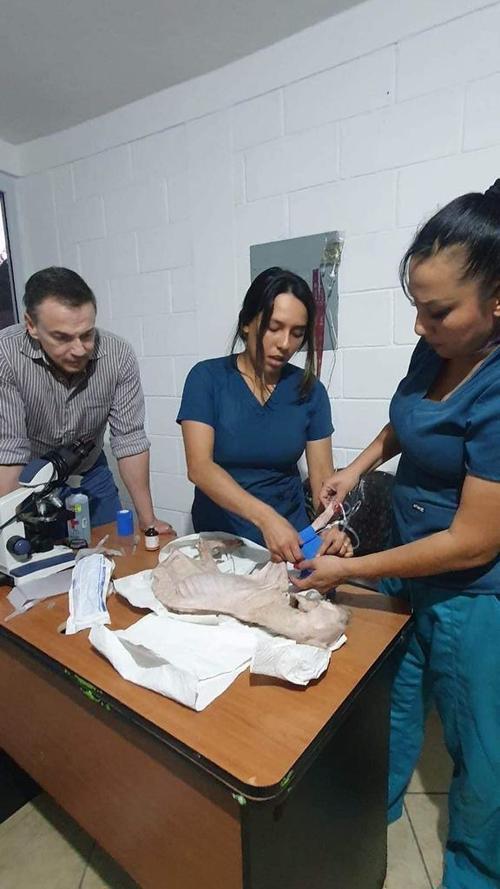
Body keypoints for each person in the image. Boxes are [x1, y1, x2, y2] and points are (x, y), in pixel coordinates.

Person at [292, 182, 500, 889]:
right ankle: (365, 818)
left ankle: (475, 868)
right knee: (395, 700)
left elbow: (475, 539)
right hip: (408, 569)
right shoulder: (435, 351)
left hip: (474, 594)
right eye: (415, 305)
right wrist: (353, 470)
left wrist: (354, 569)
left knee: (481, 745)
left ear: (498, 301)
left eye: (436, 310)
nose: (420, 325)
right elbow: (403, 423)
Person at [177, 267, 351, 563]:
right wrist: (265, 518)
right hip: (222, 543)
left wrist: (332, 526)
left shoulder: (311, 392)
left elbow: (323, 479)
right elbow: (200, 467)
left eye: (297, 333)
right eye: (274, 327)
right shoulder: (207, 379)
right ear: (247, 323)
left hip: (289, 543)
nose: (285, 344)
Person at [0, 266, 175, 538]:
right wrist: (7, 533)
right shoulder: (6, 357)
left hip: (89, 472)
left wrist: (148, 520)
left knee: (113, 551)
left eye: (87, 334)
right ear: (31, 326)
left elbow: (130, 440)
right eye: (62, 338)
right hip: (27, 479)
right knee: (28, 562)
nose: (79, 349)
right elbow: (9, 453)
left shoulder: (118, 356)